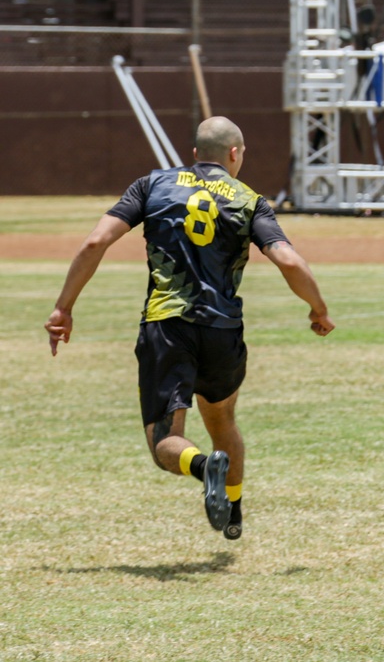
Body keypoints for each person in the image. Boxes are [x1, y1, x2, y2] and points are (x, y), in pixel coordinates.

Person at [44, 116, 334, 540]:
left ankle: (203, 466)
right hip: (222, 331)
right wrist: (318, 309)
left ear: (195, 153)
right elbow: (288, 260)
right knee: (222, 421)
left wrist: (63, 308)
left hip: (168, 326)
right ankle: (232, 510)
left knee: (166, 443)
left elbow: (95, 242)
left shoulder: (152, 185)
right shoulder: (249, 199)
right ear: (234, 154)